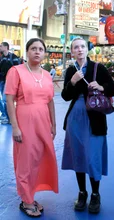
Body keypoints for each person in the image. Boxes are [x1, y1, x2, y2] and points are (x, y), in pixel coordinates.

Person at [61, 37, 114, 214]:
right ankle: (82, 192)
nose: (79, 50)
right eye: (76, 47)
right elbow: (65, 96)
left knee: (93, 157)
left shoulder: (98, 68)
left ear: (87, 49)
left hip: (94, 119)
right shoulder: (71, 70)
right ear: (72, 51)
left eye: (82, 46)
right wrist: (73, 81)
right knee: (78, 155)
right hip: (75, 119)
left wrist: (101, 87)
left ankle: (95, 194)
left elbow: (113, 88)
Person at [5, 38, 58, 217]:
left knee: (40, 159)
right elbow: (10, 100)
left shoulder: (46, 74)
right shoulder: (16, 71)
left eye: (40, 49)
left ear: (44, 53)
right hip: (25, 122)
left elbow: (50, 101)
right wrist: (15, 127)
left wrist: (54, 124)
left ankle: (31, 194)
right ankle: (26, 200)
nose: (37, 52)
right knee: (25, 161)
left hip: (43, 122)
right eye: (33, 48)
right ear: (27, 52)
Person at [0, 42, 20, 124]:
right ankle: (7, 117)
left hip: (9, 81)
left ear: (6, 47)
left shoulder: (13, 57)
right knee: (5, 100)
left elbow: (18, 68)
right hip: (2, 81)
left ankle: (10, 118)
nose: (0, 47)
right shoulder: (1, 58)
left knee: (7, 100)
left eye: (1, 46)